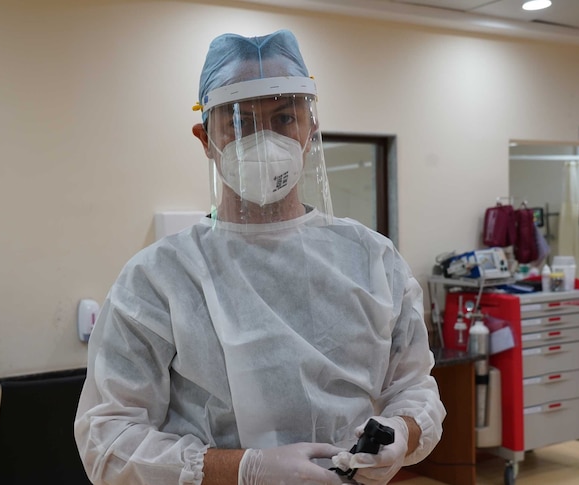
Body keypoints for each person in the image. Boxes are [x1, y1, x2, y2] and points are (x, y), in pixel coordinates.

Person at [74, 30, 445, 485]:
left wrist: (401, 432)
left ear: (311, 129)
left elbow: (412, 387)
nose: (266, 140)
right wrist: (243, 470)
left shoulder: (373, 259)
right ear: (205, 138)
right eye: (241, 122)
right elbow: (107, 441)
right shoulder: (159, 280)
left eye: (285, 117)